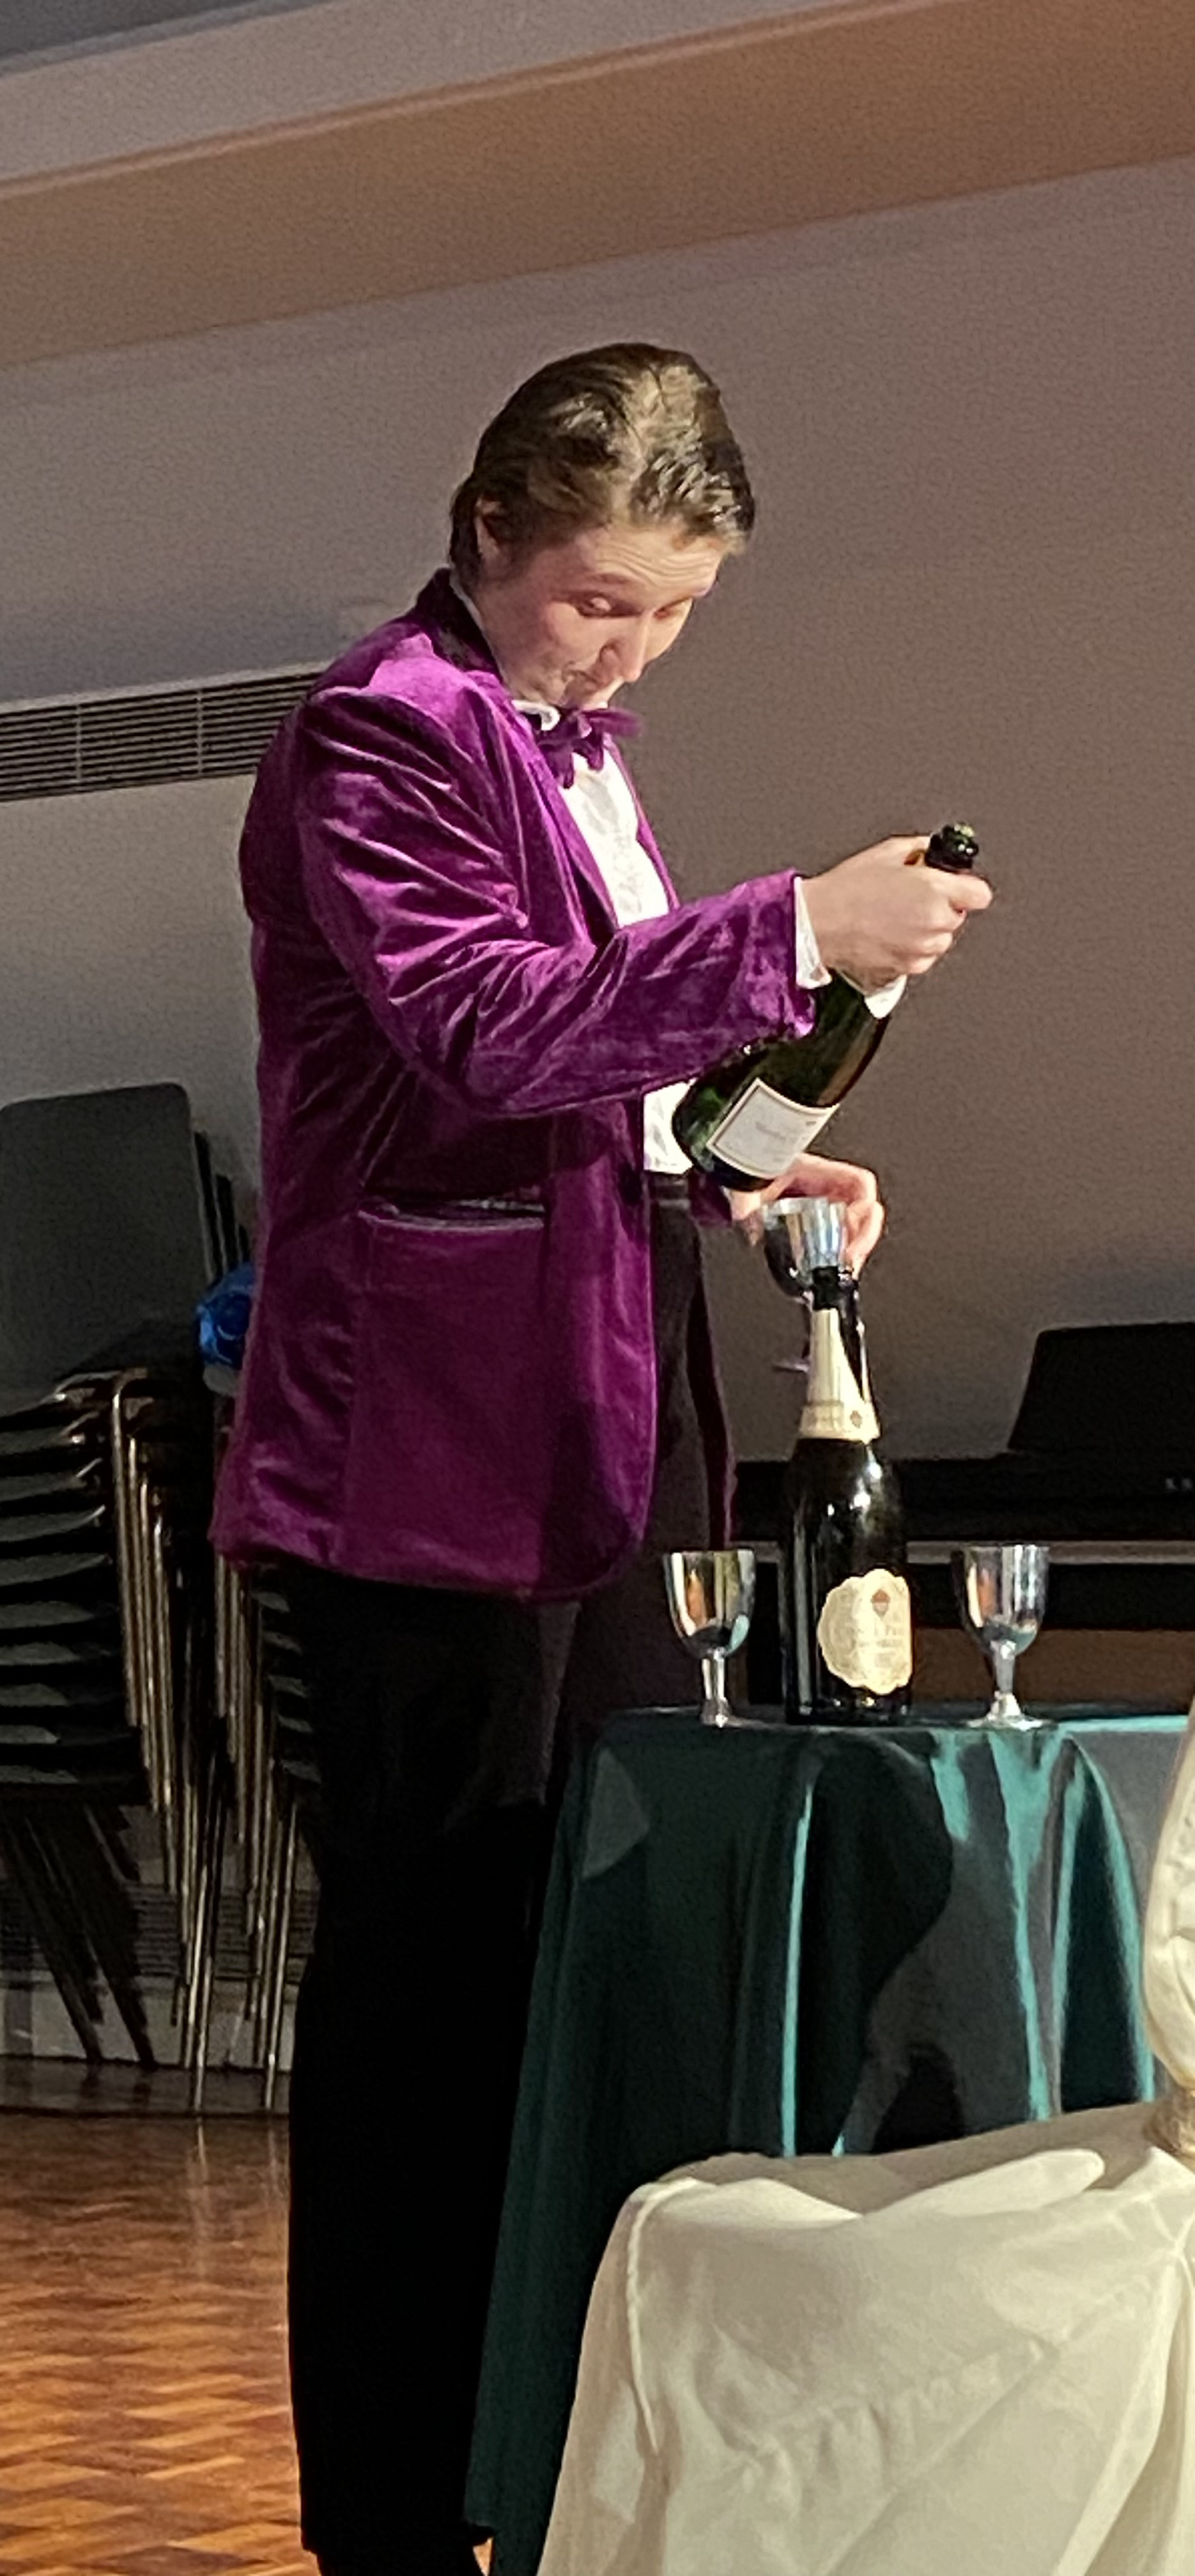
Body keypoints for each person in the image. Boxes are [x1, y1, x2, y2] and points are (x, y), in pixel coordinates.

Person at [211, 343, 991, 2576]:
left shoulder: (576, 753)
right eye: (598, 600)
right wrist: (791, 931)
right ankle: (390, 2514)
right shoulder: (382, 728)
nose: (629, 649)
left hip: (606, 1406)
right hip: (427, 1445)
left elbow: (592, 1086)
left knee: (597, 1946)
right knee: (433, 1990)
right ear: (486, 535)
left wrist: (737, 1171)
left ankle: (548, 2468)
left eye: (670, 613)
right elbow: (475, 1028)